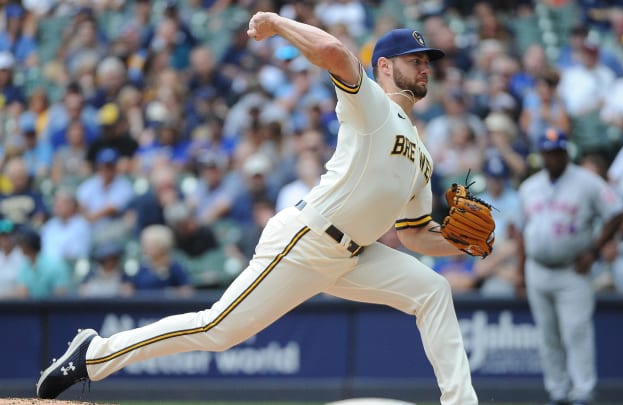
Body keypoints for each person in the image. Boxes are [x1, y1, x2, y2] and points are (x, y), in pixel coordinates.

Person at [37, 15, 480, 404]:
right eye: (414, 58)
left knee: (433, 291)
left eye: (427, 61)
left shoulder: (423, 154)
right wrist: (276, 21)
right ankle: (95, 354)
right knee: (217, 330)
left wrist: (462, 242)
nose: (425, 67)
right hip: (307, 239)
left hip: (356, 254)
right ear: (385, 66)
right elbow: (330, 50)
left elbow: (415, 234)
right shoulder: (374, 105)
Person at [516, 128, 623, 405]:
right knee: (547, 336)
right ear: (541, 154)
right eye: (548, 152)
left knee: (576, 332)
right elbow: (520, 231)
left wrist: (594, 250)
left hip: (572, 270)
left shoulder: (586, 181)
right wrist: (520, 272)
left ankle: (583, 392)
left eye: (557, 151)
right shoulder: (530, 187)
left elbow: (617, 212)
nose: (552, 157)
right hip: (537, 268)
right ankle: (558, 392)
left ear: (566, 152)